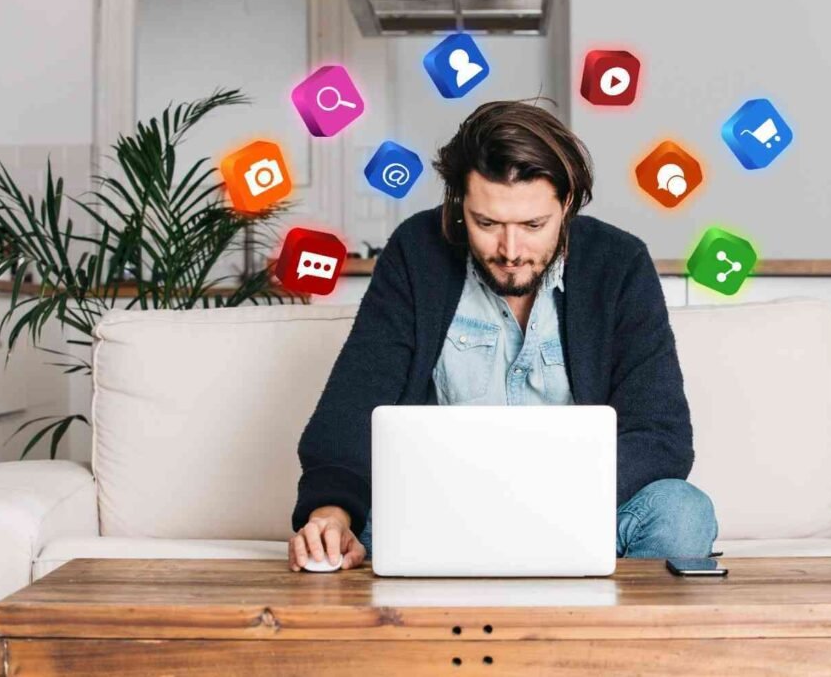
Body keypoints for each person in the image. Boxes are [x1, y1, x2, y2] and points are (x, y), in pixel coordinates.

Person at [288, 100, 718, 572]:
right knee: (359, 528)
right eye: (487, 224)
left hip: (578, 515)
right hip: (440, 519)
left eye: (534, 226)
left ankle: (600, 645)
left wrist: (534, 500)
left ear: (567, 203)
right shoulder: (417, 253)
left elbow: (661, 433)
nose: (511, 252)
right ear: (459, 205)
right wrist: (331, 512)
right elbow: (351, 408)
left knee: (684, 513)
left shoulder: (619, 263)